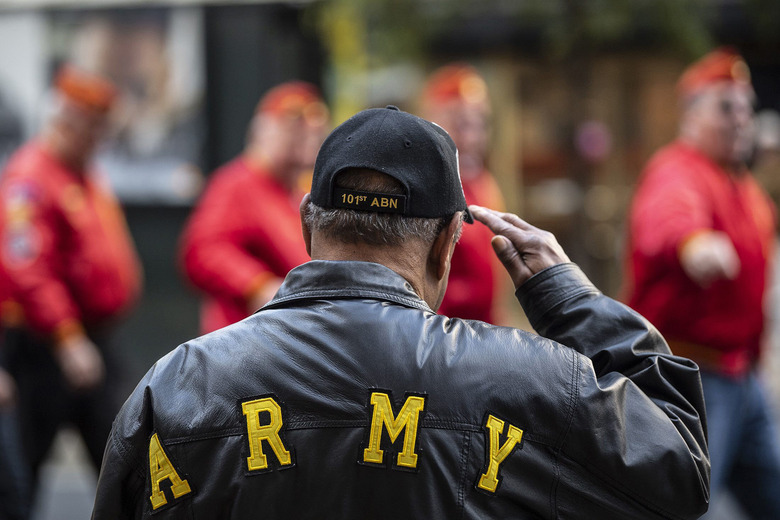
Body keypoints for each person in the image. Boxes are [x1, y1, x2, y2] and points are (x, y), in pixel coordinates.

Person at [93, 106, 709, 519]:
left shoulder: (175, 387)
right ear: (447, 242)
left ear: (309, 222)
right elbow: (679, 470)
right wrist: (569, 299)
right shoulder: (528, 379)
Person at [623, 47, 780, 518]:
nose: (741, 120)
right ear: (692, 115)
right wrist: (694, 245)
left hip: (741, 377)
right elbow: (667, 222)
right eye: (725, 107)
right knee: (689, 506)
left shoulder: (744, 187)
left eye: (746, 108)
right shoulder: (678, 169)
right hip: (693, 381)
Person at [0, 64, 142, 490]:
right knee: (20, 471)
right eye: (94, 130)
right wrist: (67, 337)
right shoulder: (30, 177)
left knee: (125, 456)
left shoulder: (81, 172)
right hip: (46, 345)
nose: (100, 140)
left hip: (90, 336)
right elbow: (28, 268)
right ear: (68, 124)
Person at [179, 81, 329, 334]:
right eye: (292, 127)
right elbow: (202, 251)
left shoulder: (302, 189)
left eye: (313, 129)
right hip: (247, 338)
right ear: (262, 131)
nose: (306, 136)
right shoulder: (235, 184)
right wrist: (258, 285)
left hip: (296, 333)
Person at [420, 63, 506, 323]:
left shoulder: (483, 181)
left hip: (486, 334)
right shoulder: (426, 187)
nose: (470, 138)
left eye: (478, 124)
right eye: (460, 125)